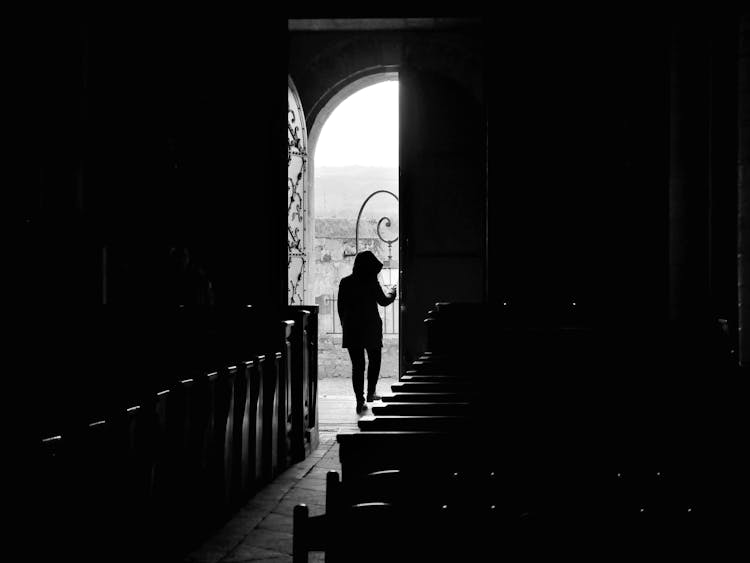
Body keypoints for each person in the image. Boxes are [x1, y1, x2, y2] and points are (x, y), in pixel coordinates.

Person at [337, 251, 397, 414]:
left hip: (352, 329)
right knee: (375, 360)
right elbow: (383, 301)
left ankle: (359, 400)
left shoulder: (345, 282)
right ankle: (371, 392)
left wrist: (346, 325)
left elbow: (340, 307)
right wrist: (392, 293)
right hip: (371, 327)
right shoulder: (371, 282)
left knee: (358, 366)